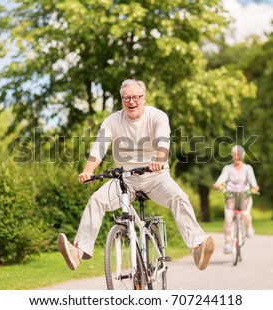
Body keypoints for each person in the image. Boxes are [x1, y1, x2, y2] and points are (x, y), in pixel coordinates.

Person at [57, 79, 215, 271]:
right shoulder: (113, 120)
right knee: (96, 200)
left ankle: (197, 247)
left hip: (156, 176)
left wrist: (159, 159)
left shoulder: (157, 116)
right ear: (121, 100)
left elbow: (162, 140)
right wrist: (88, 170)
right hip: (125, 178)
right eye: (126, 98)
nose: (131, 101)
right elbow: (99, 146)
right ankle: (78, 251)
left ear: (144, 98)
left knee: (179, 197)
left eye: (135, 97)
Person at [212, 145, 259, 254]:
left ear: (242, 156)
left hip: (244, 197)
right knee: (228, 219)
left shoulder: (248, 168)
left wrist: (255, 187)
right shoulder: (228, 168)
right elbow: (222, 178)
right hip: (231, 197)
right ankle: (228, 244)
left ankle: (249, 228)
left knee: (245, 214)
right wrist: (217, 184)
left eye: (238, 155)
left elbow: (253, 182)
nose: (236, 157)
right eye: (234, 155)